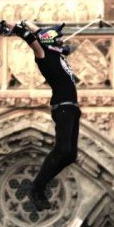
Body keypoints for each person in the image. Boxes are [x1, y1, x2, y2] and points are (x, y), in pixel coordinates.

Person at [9, 20, 81, 211]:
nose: (62, 43)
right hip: (63, 107)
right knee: (63, 149)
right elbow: (32, 39)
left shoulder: (56, 54)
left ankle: (39, 185)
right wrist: (13, 27)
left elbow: (41, 34)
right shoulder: (44, 55)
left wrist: (29, 23)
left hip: (72, 108)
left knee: (71, 154)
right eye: (59, 41)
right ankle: (37, 188)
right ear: (52, 43)